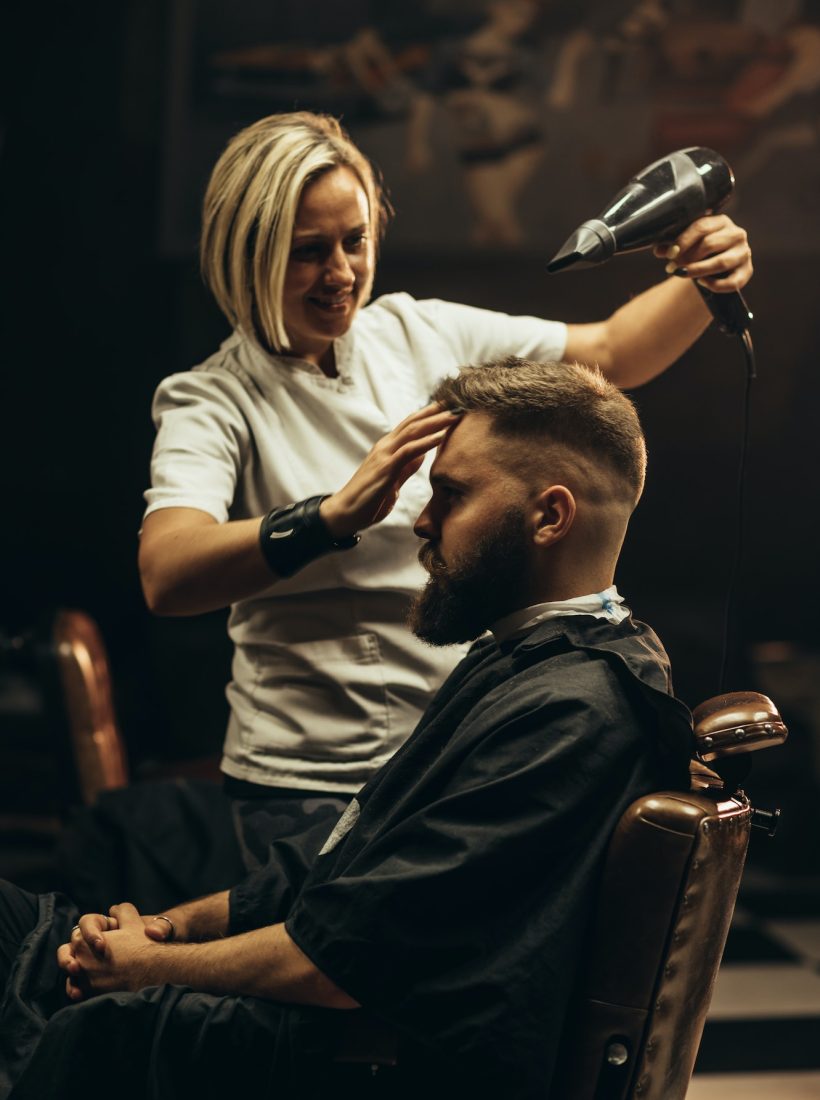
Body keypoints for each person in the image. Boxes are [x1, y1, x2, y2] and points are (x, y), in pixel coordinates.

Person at [2, 360, 693, 1099]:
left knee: (91, 1016)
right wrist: (170, 929)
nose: (422, 522)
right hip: (346, 1019)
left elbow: (344, 965)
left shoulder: (573, 709)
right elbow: (338, 858)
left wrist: (149, 966)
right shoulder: (522, 661)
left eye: (450, 494)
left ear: (550, 516)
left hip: (373, 1062)